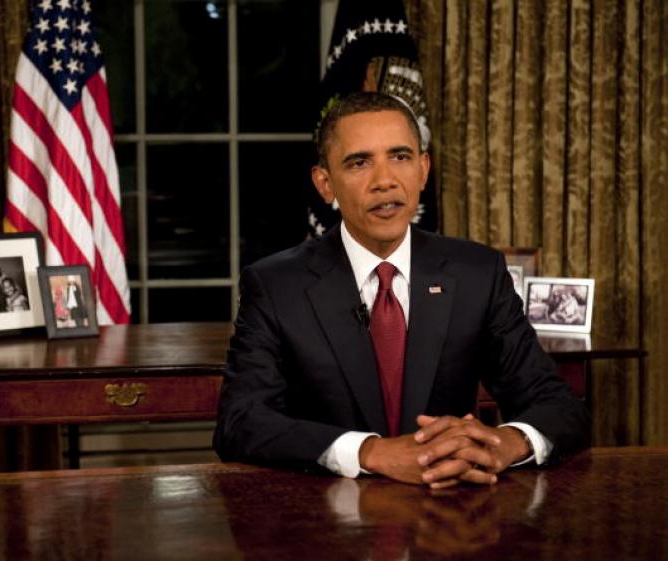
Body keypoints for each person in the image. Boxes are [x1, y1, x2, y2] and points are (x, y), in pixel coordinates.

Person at [213, 92, 590, 488]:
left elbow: (560, 406)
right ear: (325, 184)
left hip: (448, 516)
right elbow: (240, 423)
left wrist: (503, 444)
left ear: (423, 169)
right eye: (359, 162)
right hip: (328, 518)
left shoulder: (478, 273)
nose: (385, 181)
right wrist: (371, 452)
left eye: (400, 157)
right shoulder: (275, 285)